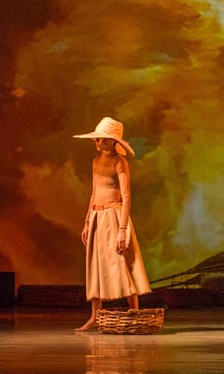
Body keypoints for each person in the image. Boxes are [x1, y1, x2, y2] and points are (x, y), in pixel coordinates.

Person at [73, 117, 152, 332]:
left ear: (112, 141)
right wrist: (87, 221)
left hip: (114, 217)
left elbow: (126, 196)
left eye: (101, 139)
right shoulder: (96, 161)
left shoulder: (120, 162)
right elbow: (94, 192)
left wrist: (122, 229)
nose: (97, 142)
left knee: (122, 261)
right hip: (97, 217)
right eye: (96, 139)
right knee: (96, 265)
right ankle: (94, 316)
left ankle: (134, 310)